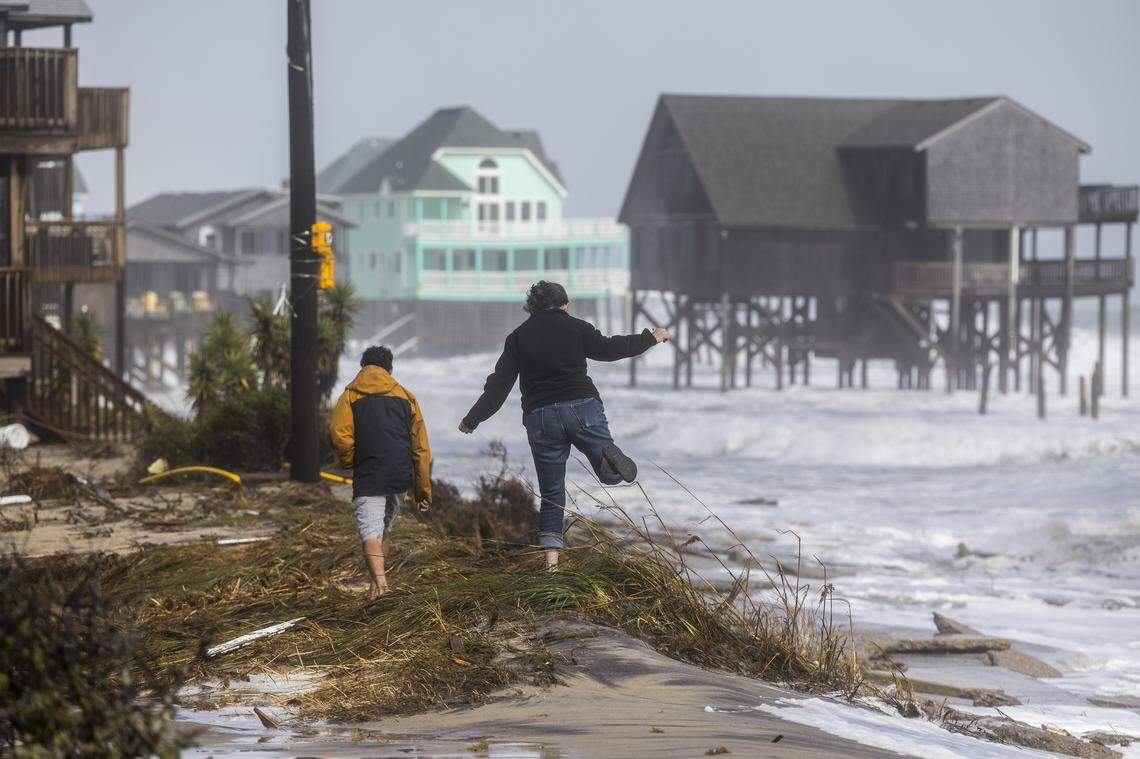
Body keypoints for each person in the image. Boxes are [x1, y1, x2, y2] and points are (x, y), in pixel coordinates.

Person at [459, 281, 668, 569]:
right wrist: (650, 338)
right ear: (565, 305)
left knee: (552, 493)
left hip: (541, 418)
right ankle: (607, 452)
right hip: (582, 408)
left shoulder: (517, 338)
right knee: (609, 476)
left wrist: (472, 420)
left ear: (531, 307)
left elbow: (498, 388)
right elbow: (610, 348)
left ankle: (552, 568)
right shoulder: (577, 328)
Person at [330, 345, 432, 598]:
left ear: (363, 367)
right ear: (390, 370)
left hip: (370, 473)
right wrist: (423, 491)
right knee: (383, 531)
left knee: (369, 533)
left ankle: (384, 588)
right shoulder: (407, 397)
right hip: (400, 473)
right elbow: (421, 447)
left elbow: (340, 436)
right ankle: (376, 589)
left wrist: (351, 461)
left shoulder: (350, 397)